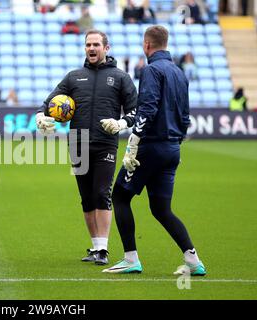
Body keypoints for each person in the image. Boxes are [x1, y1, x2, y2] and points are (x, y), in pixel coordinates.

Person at [102, 25, 206, 276]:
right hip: (172, 148)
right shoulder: (180, 73)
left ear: (147, 45)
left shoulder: (151, 70)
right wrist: (175, 143)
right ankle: (193, 260)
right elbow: (185, 115)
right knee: (161, 209)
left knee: (119, 197)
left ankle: (131, 259)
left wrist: (133, 144)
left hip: (150, 146)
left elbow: (146, 109)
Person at [36, 29, 138, 265]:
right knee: (87, 197)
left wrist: (122, 123)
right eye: (88, 45)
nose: (91, 48)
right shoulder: (73, 77)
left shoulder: (121, 77)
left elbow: (136, 110)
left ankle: (103, 248)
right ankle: (95, 247)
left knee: (103, 193)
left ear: (106, 48)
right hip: (78, 143)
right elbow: (49, 102)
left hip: (106, 144)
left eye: (96, 45)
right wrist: (41, 115)